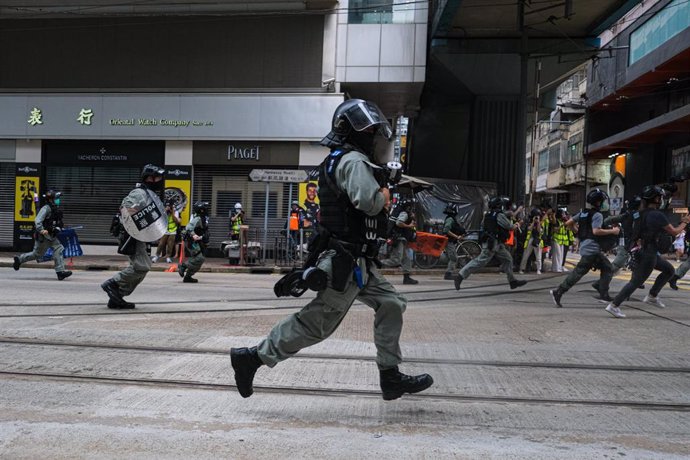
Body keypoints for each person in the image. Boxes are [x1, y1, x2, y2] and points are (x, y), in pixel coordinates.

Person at [230, 98, 433, 401]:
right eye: (370, 132)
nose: (375, 139)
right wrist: (385, 192)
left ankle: (390, 377)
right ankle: (253, 357)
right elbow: (370, 202)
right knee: (317, 325)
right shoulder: (352, 161)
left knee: (391, 303)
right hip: (346, 261)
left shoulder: (341, 159)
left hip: (355, 260)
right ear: (356, 133)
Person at [604, 185, 690, 318]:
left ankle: (652, 295)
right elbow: (674, 231)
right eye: (660, 197)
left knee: (669, 270)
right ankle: (614, 305)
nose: (662, 200)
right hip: (648, 253)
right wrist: (685, 222)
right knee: (636, 282)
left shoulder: (639, 214)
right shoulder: (657, 215)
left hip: (641, 250)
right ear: (656, 199)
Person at [101, 164, 165, 310]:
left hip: (142, 235)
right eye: (157, 178)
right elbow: (126, 208)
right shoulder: (139, 193)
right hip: (133, 235)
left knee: (141, 267)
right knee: (142, 266)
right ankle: (112, 284)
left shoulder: (149, 193)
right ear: (149, 178)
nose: (160, 180)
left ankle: (117, 296)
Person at [550, 188, 619, 308]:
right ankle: (602, 292)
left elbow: (568, 223)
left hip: (585, 247)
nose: (604, 203)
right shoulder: (597, 215)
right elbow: (596, 231)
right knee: (607, 268)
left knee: (583, 271)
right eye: (602, 201)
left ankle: (560, 291)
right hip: (592, 249)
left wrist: (579, 233)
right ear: (598, 202)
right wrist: (613, 231)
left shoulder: (583, 213)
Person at [454, 196, 527, 290]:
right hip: (492, 244)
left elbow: (483, 225)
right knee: (479, 262)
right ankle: (460, 276)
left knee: (508, 259)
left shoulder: (488, 214)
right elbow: (510, 226)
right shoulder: (499, 215)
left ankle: (512, 281)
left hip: (495, 243)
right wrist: (518, 224)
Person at [13, 189, 72, 280]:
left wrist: (58, 228)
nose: (58, 199)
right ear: (51, 199)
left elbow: (55, 222)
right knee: (37, 254)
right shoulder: (46, 208)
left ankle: (60, 272)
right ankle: (19, 259)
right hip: (43, 237)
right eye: (56, 198)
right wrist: (42, 230)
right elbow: (37, 221)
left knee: (58, 248)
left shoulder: (54, 208)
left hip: (51, 236)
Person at [592, 196, 642, 292]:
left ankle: (636, 281)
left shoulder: (629, 215)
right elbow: (608, 220)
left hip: (630, 244)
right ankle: (599, 283)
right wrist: (613, 229)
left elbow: (608, 220)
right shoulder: (633, 215)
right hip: (626, 245)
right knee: (615, 266)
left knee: (637, 263)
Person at [381, 199, 418, 285]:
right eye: (411, 207)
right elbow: (399, 223)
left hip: (400, 238)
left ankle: (407, 278)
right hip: (398, 238)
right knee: (396, 260)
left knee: (406, 259)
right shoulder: (404, 213)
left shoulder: (400, 211)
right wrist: (409, 225)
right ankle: (377, 262)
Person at [178, 201, 210, 283]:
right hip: (191, 241)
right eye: (205, 208)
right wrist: (193, 235)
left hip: (198, 241)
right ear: (201, 210)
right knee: (199, 258)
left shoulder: (203, 218)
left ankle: (188, 276)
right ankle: (183, 266)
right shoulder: (197, 218)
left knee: (200, 259)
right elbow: (188, 228)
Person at [441, 203, 466, 280]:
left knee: (452, 257)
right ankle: (448, 274)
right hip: (449, 241)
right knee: (454, 258)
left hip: (450, 241)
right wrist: (457, 236)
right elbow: (446, 230)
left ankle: (449, 272)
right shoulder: (450, 219)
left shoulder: (451, 218)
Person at [152, 198, 181, 264]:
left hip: (172, 230)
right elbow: (160, 218)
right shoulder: (163, 211)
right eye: (167, 206)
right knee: (161, 243)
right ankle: (156, 256)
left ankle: (168, 257)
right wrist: (165, 211)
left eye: (169, 206)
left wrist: (172, 213)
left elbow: (176, 221)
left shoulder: (175, 212)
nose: (168, 207)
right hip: (164, 229)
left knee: (170, 244)